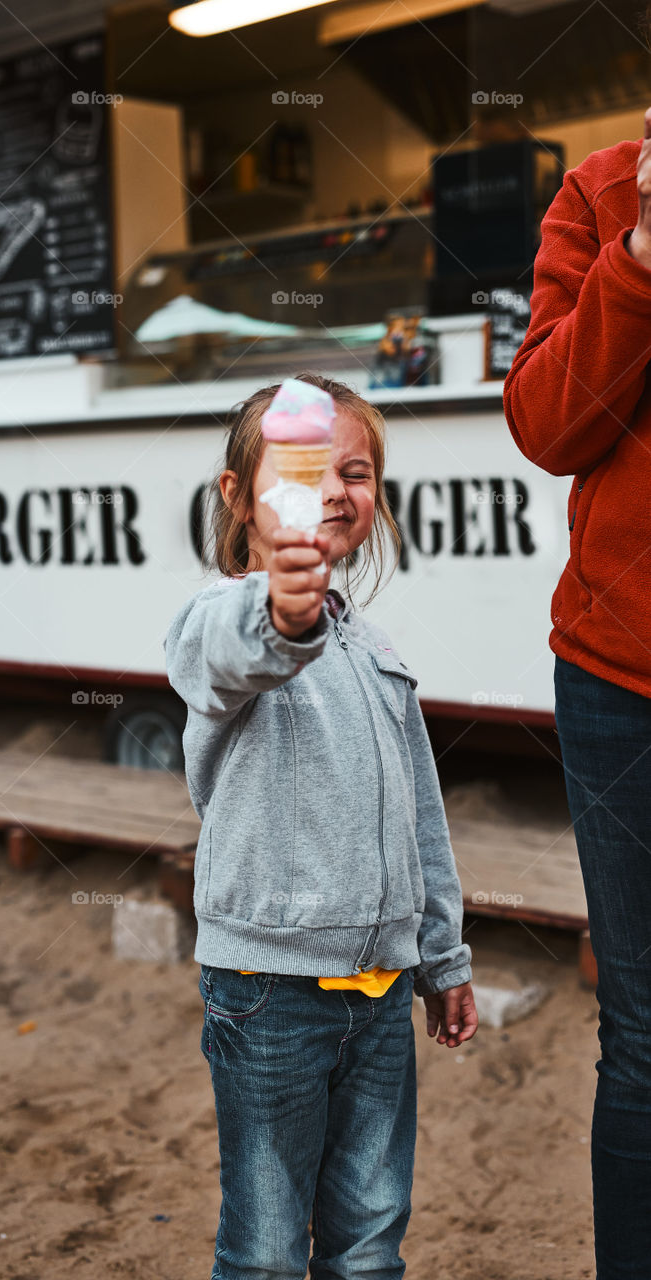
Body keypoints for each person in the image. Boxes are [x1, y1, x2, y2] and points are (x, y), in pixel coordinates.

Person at [165, 373, 477, 1280]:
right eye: (304, 470)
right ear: (237, 496)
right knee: (264, 1248)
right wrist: (281, 610)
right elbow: (234, 650)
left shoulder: (374, 647)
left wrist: (442, 956)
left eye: (357, 471)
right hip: (268, 991)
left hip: (381, 991)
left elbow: (420, 813)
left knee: (371, 1236)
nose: (336, 489)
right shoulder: (217, 620)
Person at [504, 114, 651, 1278]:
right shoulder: (595, 195)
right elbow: (549, 424)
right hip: (620, 677)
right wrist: (638, 258)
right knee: (646, 1036)